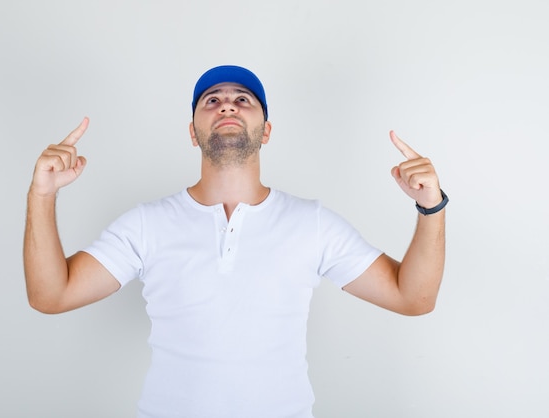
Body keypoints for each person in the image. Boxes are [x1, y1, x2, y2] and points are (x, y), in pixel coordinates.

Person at [23, 65, 447, 418]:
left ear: (266, 131)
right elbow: (51, 295)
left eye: (243, 98)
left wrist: (431, 207)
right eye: (212, 100)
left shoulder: (311, 223)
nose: (227, 103)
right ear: (193, 132)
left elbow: (412, 298)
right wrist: (42, 195)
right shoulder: (146, 224)